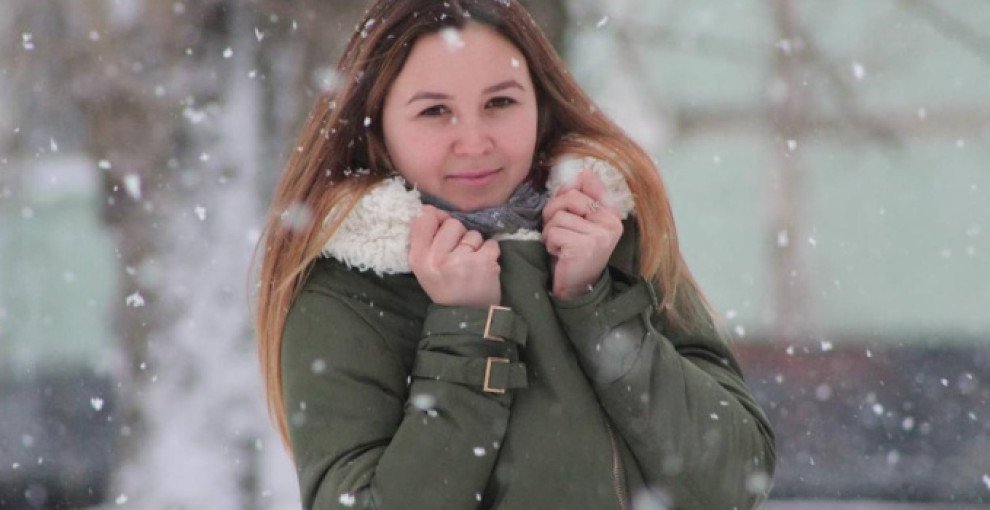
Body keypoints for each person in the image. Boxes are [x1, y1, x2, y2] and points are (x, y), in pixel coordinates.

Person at [254, 1, 775, 508]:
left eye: (500, 103)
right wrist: (466, 332)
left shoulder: (614, 235)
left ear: (540, 106)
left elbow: (736, 483)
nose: (474, 142)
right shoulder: (347, 293)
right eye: (435, 111)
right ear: (377, 126)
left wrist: (595, 305)